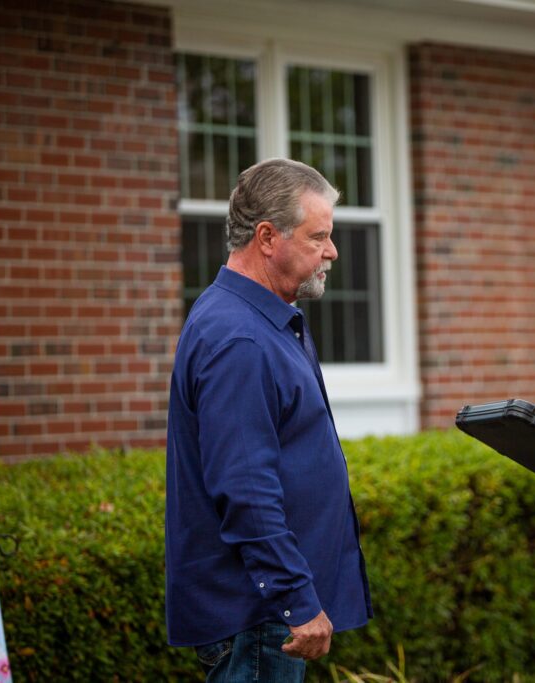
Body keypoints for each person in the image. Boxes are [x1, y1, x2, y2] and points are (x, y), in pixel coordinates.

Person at [166, 159, 372, 682]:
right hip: (259, 619)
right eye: (318, 236)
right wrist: (295, 600)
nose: (332, 251)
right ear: (266, 237)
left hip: (262, 615)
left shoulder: (261, 321)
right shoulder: (240, 338)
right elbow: (246, 490)